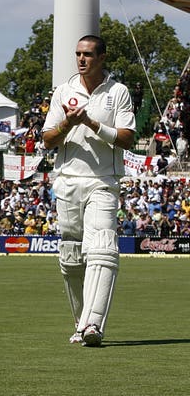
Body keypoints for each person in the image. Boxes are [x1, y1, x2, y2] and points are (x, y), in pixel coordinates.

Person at [42, 35, 136, 347]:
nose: (82, 60)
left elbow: (127, 139)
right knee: (70, 257)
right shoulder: (64, 91)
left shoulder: (117, 92)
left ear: (102, 57)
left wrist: (92, 124)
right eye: (78, 54)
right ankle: (80, 323)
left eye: (88, 54)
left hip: (103, 180)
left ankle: (93, 325)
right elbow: (47, 140)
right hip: (67, 181)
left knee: (103, 248)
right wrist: (68, 124)